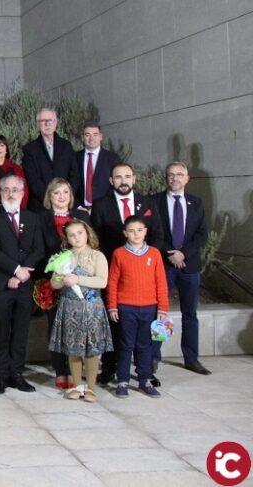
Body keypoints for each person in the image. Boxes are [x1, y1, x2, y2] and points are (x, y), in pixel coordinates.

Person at [90, 162, 160, 386]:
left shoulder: (148, 203)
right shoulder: (101, 205)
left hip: (143, 276)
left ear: (134, 179)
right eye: (118, 177)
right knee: (113, 324)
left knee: (146, 332)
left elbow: (157, 234)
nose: (123, 181)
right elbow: (95, 239)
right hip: (112, 271)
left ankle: (146, 371)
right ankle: (109, 368)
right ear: (111, 181)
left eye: (127, 176)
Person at [0, 174, 44, 394]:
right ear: (0, 192)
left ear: (23, 192)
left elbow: (38, 250)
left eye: (15, 189)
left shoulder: (32, 218)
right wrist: (16, 270)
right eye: (6, 189)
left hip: (25, 286)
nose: (10, 193)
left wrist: (23, 273)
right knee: (1, 331)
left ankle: (17, 374)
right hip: (2, 284)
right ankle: (1, 376)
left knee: (20, 332)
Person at [151, 162, 209, 375]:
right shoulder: (154, 201)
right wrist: (171, 253)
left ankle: (191, 358)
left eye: (179, 174)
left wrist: (183, 253)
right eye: (171, 175)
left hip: (189, 265)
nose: (175, 178)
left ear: (187, 178)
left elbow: (202, 234)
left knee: (190, 314)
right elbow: (152, 233)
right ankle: (154, 357)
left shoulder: (196, 202)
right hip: (164, 265)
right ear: (165, 178)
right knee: (160, 313)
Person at [48, 220, 111, 403]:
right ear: (66, 238)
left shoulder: (97, 256)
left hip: (91, 307)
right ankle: (76, 385)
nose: (77, 237)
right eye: (72, 235)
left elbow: (102, 281)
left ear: (87, 233)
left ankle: (91, 388)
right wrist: (62, 280)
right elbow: (54, 283)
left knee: (91, 348)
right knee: (73, 348)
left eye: (80, 233)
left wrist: (78, 279)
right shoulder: (64, 257)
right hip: (70, 307)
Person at [107, 216, 169, 398]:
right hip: (126, 307)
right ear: (125, 233)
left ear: (146, 231)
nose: (136, 234)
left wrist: (162, 308)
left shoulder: (154, 253)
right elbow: (113, 282)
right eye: (131, 231)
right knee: (126, 345)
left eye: (140, 230)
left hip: (149, 307)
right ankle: (123, 380)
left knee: (145, 346)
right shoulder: (119, 253)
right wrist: (112, 306)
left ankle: (145, 379)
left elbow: (161, 282)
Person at [38, 178, 92, 390]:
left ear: (71, 197)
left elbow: (91, 244)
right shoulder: (41, 218)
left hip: (79, 279)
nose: (61, 197)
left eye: (65, 193)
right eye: (56, 193)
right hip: (54, 280)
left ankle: (76, 370)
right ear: (49, 197)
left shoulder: (82, 216)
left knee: (77, 326)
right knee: (57, 326)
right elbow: (39, 248)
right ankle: (61, 370)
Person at [21, 107, 80, 212]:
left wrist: (65, 196)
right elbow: (32, 179)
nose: (47, 124)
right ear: (37, 124)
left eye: (50, 120)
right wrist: (50, 198)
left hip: (66, 205)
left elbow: (74, 175)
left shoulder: (66, 146)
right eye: (43, 121)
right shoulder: (30, 149)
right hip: (41, 206)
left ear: (56, 122)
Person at [75, 122, 120, 210]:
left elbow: (116, 183)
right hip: (80, 209)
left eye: (95, 134)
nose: (91, 138)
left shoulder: (112, 158)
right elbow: (70, 183)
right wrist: (78, 206)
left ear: (101, 137)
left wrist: (102, 205)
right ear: (82, 137)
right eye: (87, 135)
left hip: (105, 208)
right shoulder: (74, 158)